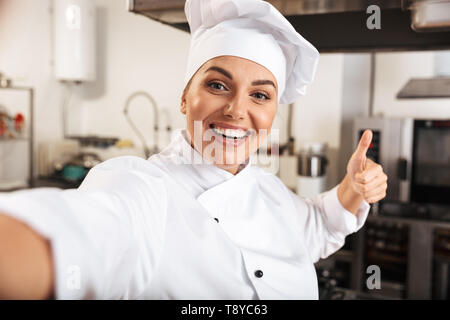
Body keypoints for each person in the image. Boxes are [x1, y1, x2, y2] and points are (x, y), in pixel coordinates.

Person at [0, 0, 387, 300]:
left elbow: (317, 224)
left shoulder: (270, 193)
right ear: (185, 97)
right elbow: (86, 236)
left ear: (272, 111)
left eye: (260, 94)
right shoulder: (142, 187)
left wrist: (353, 187)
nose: (237, 110)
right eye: (218, 85)